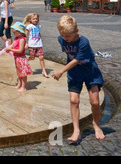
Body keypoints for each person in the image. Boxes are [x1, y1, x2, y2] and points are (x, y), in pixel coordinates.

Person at [52, 15, 105, 143]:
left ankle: (96, 124)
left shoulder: (84, 42)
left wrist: (61, 71)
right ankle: (76, 130)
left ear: (76, 31)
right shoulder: (61, 39)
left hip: (90, 73)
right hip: (75, 73)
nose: (65, 39)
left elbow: (76, 60)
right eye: (63, 35)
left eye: (68, 36)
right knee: (74, 101)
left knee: (95, 102)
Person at [5, 22, 32, 92]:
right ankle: (19, 85)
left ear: (20, 32)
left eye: (15, 32)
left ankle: (23, 87)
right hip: (17, 58)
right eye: (13, 32)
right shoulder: (16, 38)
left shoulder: (22, 39)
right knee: (19, 73)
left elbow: (20, 50)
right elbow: (12, 45)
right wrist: (7, 48)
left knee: (23, 74)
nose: (14, 34)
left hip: (21, 59)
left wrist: (10, 49)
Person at [23, 13, 49, 78]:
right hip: (31, 45)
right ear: (30, 20)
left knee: (41, 57)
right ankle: (25, 61)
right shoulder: (29, 26)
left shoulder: (39, 26)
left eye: (36, 19)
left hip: (39, 44)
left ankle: (44, 71)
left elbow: (39, 33)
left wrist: (40, 37)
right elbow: (25, 35)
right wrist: (25, 43)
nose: (35, 20)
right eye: (33, 19)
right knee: (33, 57)